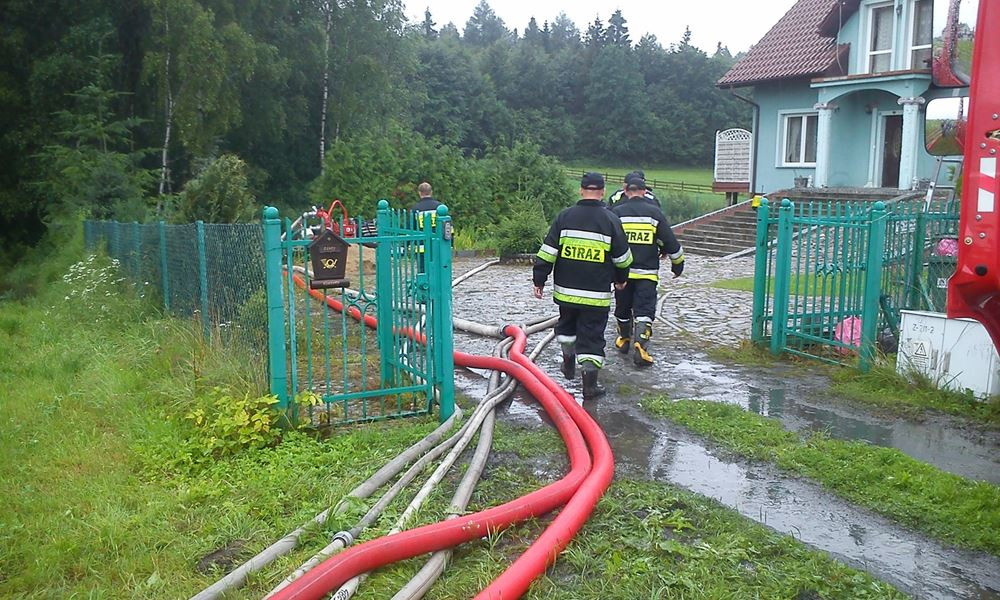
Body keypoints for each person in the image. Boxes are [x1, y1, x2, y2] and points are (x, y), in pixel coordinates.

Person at [533, 172, 633, 400]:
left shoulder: (565, 217)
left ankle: (568, 362)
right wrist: (621, 278)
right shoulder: (611, 220)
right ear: (603, 192)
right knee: (592, 337)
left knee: (567, 327)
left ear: (581, 190)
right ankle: (590, 386)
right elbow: (623, 259)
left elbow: (547, 252)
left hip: (566, 292)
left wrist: (539, 279)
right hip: (596, 295)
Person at [610, 176, 685, 367]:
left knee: (622, 307)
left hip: (622, 274)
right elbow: (670, 242)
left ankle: (623, 339)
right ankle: (641, 347)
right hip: (647, 274)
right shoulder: (654, 213)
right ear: (645, 192)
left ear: (626, 191)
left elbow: (609, 242)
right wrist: (678, 266)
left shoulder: (617, 213)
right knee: (644, 310)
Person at [412, 182, 441, 270]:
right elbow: (448, 227)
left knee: (423, 270)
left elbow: (411, 229)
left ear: (419, 193)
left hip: (421, 246)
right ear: (431, 192)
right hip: (438, 245)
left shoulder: (415, 209)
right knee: (438, 269)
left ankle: (424, 283)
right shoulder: (439, 207)